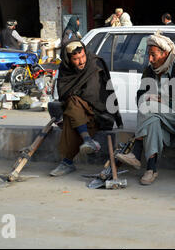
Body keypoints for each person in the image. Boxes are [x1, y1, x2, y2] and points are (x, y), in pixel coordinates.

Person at [115, 32, 175, 185]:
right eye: (148, 55)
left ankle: (136, 152)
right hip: (154, 117)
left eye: (153, 55)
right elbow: (139, 97)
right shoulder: (149, 71)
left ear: (165, 54)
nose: (150, 59)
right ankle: (151, 170)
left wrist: (160, 100)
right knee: (153, 121)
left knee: (148, 104)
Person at [49, 40, 123, 177]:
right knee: (73, 109)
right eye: (76, 59)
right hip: (79, 112)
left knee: (73, 107)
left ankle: (67, 162)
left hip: (98, 112)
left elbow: (95, 92)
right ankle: (87, 140)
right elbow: (63, 92)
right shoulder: (65, 69)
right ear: (69, 60)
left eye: (82, 56)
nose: (81, 61)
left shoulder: (94, 63)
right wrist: (75, 97)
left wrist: (76, 95)